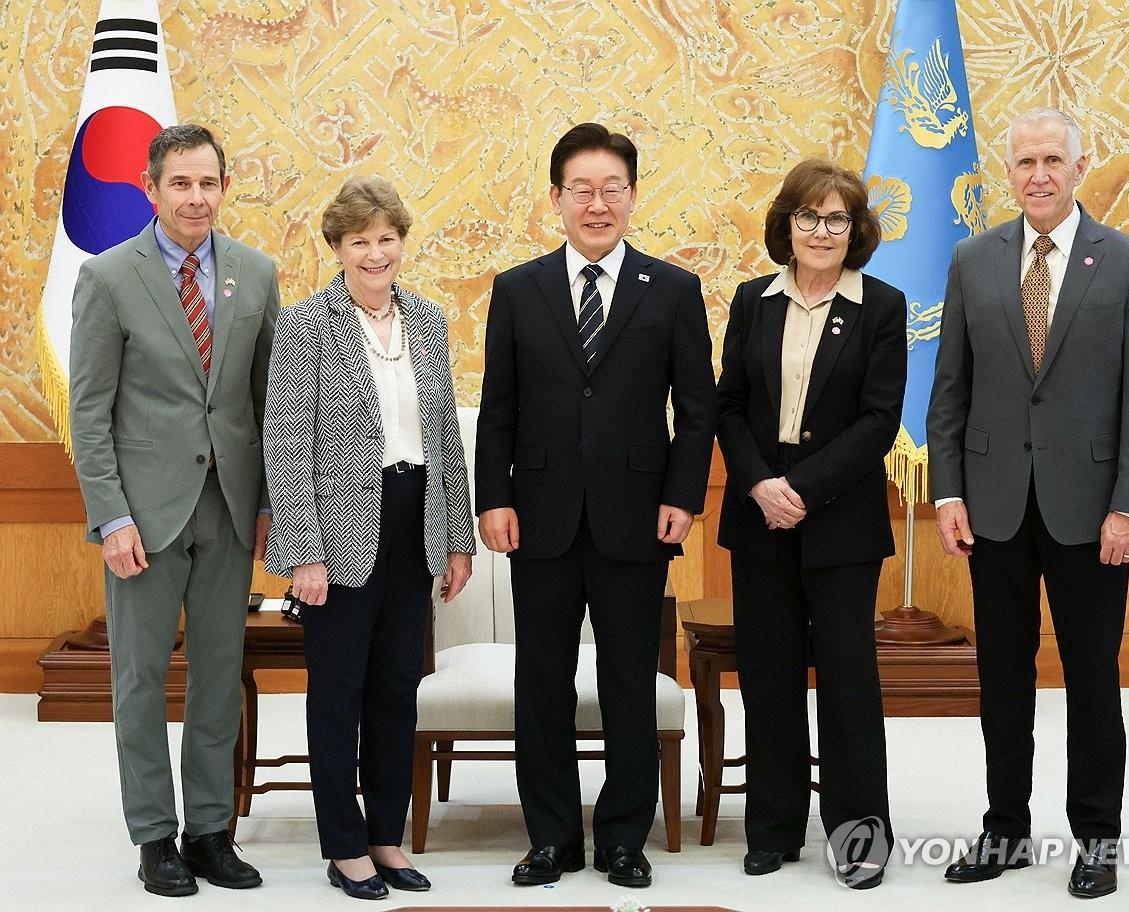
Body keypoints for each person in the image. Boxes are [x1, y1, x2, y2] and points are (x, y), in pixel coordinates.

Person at [928, 108, 1129, 899]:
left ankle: (1097, 838)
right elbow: (950, 388)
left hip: (1091, 512)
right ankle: (1004, 829)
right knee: (1002, 679)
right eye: (1025, 161)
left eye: (1053, 160)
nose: (1038, 174)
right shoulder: (972, 260)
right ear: (1008, 172)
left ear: (1079, 167)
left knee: (1093, 679)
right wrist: (949, 490)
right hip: (994, 506)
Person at [475, 122, 717, 889]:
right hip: (539, 518)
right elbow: (498, 408)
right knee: (542, 683)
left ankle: (622, 838)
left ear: (633, 196)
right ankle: (550, 837)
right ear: (556, 198)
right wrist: (493, 498)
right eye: (581, 189)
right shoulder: (519, 290)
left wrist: (683, 496)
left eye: (612, 188)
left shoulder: (672, 290)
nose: (597, 203)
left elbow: (698, 410)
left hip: (637, 518)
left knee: (629, 684)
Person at [69, 124, 278, 896]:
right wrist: (111, 516)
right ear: (151, 189)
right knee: (140, 679)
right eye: (180, 183)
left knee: (219, 676)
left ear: (225, 187)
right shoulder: (108, 277)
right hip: (144, 518)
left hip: (230, 508)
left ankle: (210, 831)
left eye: (208, 183)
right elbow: (89, 413)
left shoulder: (256, 273)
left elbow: (267, 404)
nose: (196, 198)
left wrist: (269, 507)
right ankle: (155, 836)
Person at [263, 176, 474, 900]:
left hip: (416, 521)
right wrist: (304, 554)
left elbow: (445, 438)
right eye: (360, 241)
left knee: (395, 691)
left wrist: (458, 537)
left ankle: (386, 836)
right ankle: (344, 847)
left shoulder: (428, 320)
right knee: (338, 693)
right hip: (337, 529)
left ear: (401, 243)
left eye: (387, 238)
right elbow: (286, 444)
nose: (375, 253)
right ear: (337, 247)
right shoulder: (304, 325)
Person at [715, 157, 905, 889]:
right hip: (759, 515)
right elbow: (729, 406)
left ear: (856, 231)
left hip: (841, 520)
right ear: (786, 225)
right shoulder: (752, 300)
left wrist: (800, 488)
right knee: (769, 677)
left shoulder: (881, 306)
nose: (821, 231)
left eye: (836, 219)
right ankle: (772, 828)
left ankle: (859, 837)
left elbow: (879, 419)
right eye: (808, 217)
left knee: (849, 683)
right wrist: (761, 485)